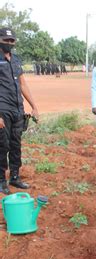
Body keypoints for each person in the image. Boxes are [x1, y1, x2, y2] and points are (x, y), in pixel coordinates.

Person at [0, 28, 39, 195]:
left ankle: (15, 177)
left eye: (12, 40)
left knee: (16, 144)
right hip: (3, 109)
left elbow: (23, 84)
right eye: (6, 40)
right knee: (3, 145)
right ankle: (1, 180)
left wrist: (34, 106)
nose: (10, 43)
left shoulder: (16, 60)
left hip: (18, 109)